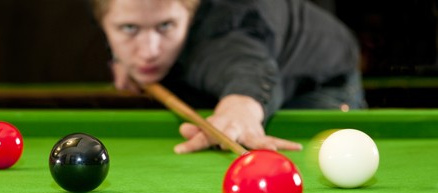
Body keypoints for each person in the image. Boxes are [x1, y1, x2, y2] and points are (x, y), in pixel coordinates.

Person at [90, 0, 366, 154]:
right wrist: (121, 57)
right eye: (129, 28)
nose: (149, 52)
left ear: (191, 9)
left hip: (316, 78)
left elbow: (246, 67)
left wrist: (240, 108)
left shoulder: (223, 31)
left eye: (165, 26)